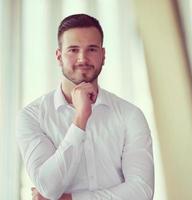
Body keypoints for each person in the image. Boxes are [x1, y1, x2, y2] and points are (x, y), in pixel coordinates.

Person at [16, 14, 154, 200]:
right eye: (73, 50)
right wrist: (80, 119)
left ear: (103, 55)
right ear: (59, 56)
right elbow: (48, 187)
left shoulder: (130, 115)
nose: (83, 58)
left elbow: (141, 192)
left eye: (92, 49)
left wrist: (69, 199)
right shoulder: (32, 117)